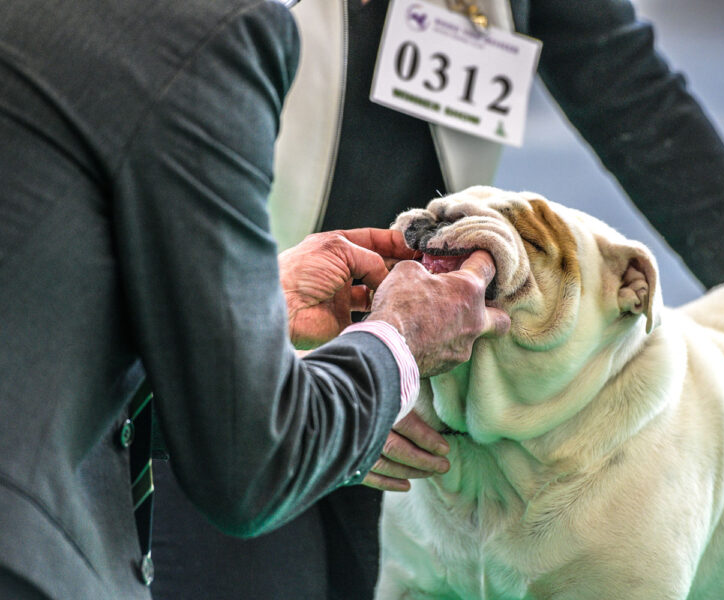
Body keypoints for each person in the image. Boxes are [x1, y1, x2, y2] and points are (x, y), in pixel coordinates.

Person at [151, 1, 724, 599]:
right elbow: (136, 161)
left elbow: (632, 92)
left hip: (434, 388)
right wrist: (301, 363)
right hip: (228, 367)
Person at [0, 0, 511, 598]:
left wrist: (251, 311)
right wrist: (400, 341)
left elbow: (39, 299)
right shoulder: (209, 29)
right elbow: (251, 465)